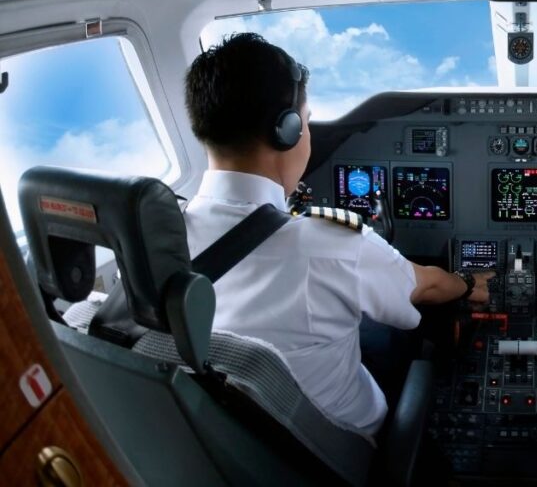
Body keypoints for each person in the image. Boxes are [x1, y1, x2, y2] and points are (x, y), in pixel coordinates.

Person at [183, 32, 491, 439]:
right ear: (287, 131)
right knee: (408, 338)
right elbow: (426, 287)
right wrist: (470, 283)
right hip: (336, 449)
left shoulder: (163, 238)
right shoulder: (330, 244)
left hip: (227, 440)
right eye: (306, 121)